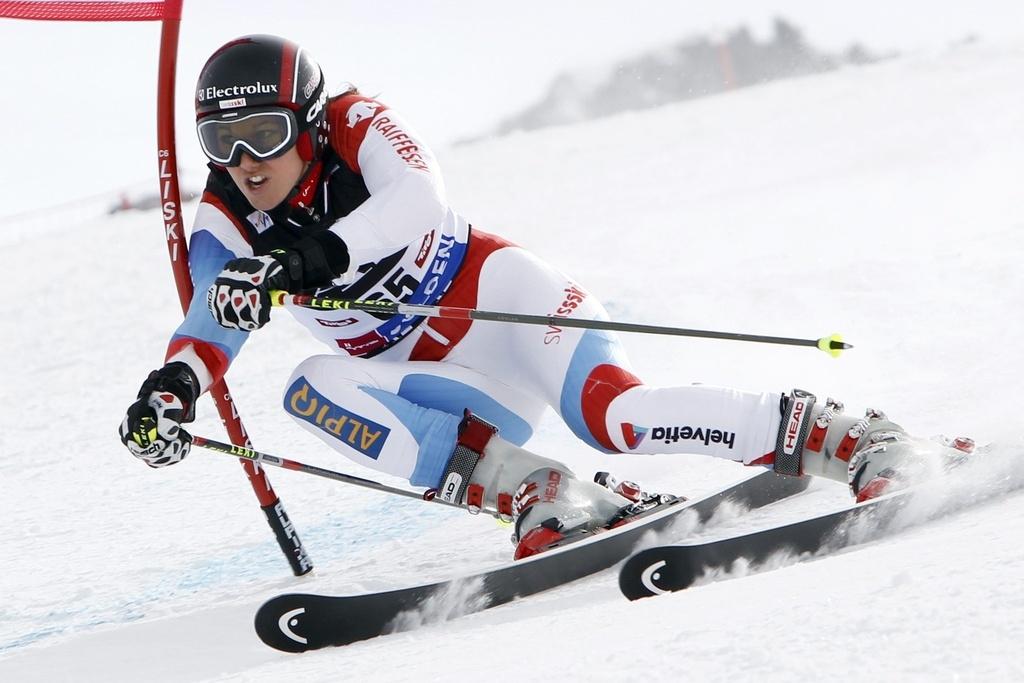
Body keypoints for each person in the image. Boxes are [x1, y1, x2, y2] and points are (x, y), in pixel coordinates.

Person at [119, 35, 971, 559]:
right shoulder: (227, 215)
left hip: (498, 304)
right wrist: (173, 390)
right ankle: (539, 491)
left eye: (264, 134)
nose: (246, 161)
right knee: (308, 386)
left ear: (305, 123)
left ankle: (849, 436)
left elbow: (420, 199)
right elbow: (210, 321)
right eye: (221, 142)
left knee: (618, 417)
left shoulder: (357, 122)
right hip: (435, 382)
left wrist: (311, 257)